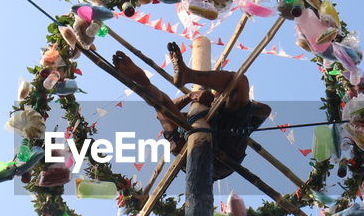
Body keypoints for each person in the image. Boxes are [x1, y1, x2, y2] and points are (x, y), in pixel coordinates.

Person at [110, 43, 271, 180]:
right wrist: (190, 96)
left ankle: (187, 75)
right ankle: (143, 82)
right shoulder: (193, 114)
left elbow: (265, 110)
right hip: (188, 147)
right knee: (162, 108)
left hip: (224, 153)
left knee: (240, 82)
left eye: (220, 93)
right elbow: (165, 104)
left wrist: (221, 105)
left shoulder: (234, 113)